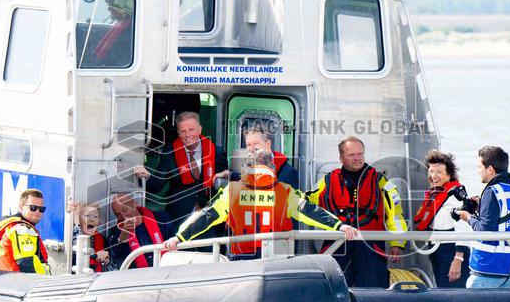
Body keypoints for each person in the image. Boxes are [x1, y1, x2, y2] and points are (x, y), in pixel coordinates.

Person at [163, 149, 357, 259]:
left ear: (247, 166)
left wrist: (179, 238)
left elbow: (206, 217)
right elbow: (311, 212)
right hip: (278, 260)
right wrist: (340, 225)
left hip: (242, 260)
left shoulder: (232, 191)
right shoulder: (285, 192)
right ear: (272, 166)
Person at [307, 136, 407, 288]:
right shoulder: (327, 181)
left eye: (360, 154)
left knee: (373, 291)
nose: (357, 158)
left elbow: (395, 213)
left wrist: (398, 243)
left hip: (371, 248)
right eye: (351, 155)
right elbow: (306, 206)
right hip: (336, 246)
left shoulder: (380, 181)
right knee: (333, 289)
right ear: (341, 158)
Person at [136, 111, 229, 226]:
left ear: (199, 130)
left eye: (191, 130)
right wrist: (146, 175)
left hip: (211, 217)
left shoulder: (217, 152)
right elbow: (157, 184)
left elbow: (225, 188)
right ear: (178, 133)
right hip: (179, 218)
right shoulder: (170, 153)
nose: (187, 135)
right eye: (183, 131)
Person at [455, 146, 510, 289]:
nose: (478, 171)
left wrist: (468, 217)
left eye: (479, 166)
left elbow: (485, 229)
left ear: (490, 169)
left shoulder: (492, 191)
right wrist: (481, 206)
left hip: (488, 268)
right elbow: (506, 221)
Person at [413, 150, 471, 288]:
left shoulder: (455, 196)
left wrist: (458, 259)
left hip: (451, 251)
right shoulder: (435, 194)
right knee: (442, 290)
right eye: (431, 171)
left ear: (449, 175)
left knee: (453, 295)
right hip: (437, 250)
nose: (434, 176)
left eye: (438, 172)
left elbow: (463, 228)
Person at [0, 189, 51, 274]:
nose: (37, 212)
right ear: (21, 207)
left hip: (9, 280)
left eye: (41, 209)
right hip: (18, 283)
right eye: (33, 208)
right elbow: (27, 267)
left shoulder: (15, 227)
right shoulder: (23, 230)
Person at [105, 193, 174, 269]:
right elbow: (116, 258)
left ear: (134, 204)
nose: (123, 216)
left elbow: (173, 243)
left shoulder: (161, 218)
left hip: (166, 269)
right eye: (118, 214)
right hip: (138, 276)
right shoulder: (116, 233)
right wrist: (124, 236)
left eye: (125, 210)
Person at [230, 126, 299, 189]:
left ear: (268, 144)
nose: (251, 148)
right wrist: (229, 174)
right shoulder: (248, 171)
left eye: (255, 143)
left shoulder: (288, 173)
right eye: (248, 145)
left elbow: (294, 200)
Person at [91, 0, 135, 68]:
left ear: (123, 11)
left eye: (111, 7)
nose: (108, 9)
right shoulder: (123, 24)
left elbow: (118, 62)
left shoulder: (128, 32)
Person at [67, 199, 110, 272]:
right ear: (79, 219)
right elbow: (77, 243)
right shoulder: (71, 237)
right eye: (87, 215)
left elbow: (112, 266)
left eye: (95, 216)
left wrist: (106, 260)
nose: (92, 220)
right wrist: (76, 214)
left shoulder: (102, 239)